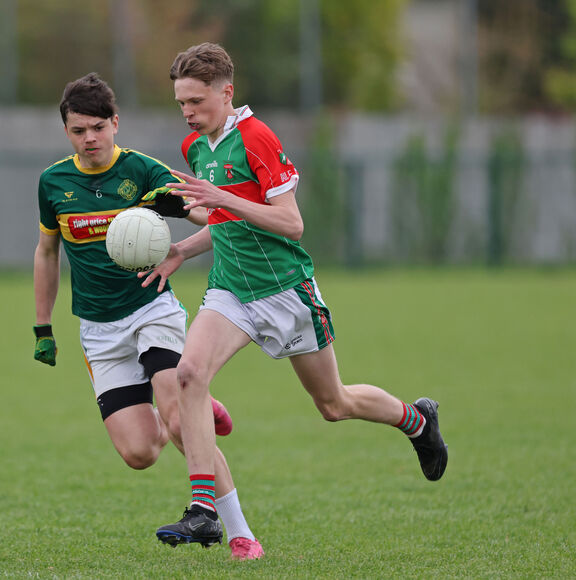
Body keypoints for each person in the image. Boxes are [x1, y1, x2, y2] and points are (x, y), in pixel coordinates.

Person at [139, 43, 449, 548]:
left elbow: (292, 223)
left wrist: (223, 199)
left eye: (196, 101)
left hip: (286, 292)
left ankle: (416, 419)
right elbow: (223, 225)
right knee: (189, 374)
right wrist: (182, 250)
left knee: (333, 403)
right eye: (181, 103)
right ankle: (203, 509)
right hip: (231, 291)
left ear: (226, 92)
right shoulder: (195, 149)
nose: (188, 112)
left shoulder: (257, 138)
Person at [33, 72, 264, 560]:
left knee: (181, 418)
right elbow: (46, 253)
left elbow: (207, 216)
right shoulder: (53, 182)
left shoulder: (141, 170)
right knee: (139, 453)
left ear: (115, 123)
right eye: (79, 130)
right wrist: (42, 326)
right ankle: (195, 405)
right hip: (98, 329)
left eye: (98, 127)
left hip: (151, 306)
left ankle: (240, 533)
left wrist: (184, 206)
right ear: (67, 132)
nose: (90, 138)